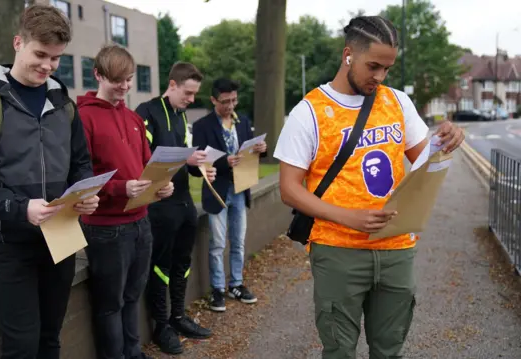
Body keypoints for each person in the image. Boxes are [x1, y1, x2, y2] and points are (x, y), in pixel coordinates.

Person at [273, 15, 465, 358]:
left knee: (389, 350)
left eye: (387, 69)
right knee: (339, 351)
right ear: (348, 54)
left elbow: (427, 165)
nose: (380, 77)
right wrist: (349, 218)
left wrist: (447, 142)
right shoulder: (309, 112)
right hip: (338, 250)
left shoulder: (397, 102)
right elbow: (289, 189)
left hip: (397, 248)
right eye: (373, 66)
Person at [0, 5, 99, 359]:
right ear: (19, 43)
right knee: (22, 346)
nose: (47, 66)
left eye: (56, 59)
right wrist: (19, 208)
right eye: (40, 54)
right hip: (8, 243)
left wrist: (86, 191)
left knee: (50, 338)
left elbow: (80, 163)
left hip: (61, 236)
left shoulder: (64, 103)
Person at [77, 44, 173, 359]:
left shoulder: (133, 118)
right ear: (98, 75)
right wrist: (120, 189)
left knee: (133, 296)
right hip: (105, 228)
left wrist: (161, 186)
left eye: (129, 79)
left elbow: (147, 164)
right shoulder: (83, 118)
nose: (125, 87)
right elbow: (80, 176)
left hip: (140, 221)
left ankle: (134, 352)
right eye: (118, 80)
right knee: (110, 304)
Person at [135, 62, 215, 355]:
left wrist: (202, 170)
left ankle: (178, 316)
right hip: (159, 208)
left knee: (182, 263)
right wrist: (187, 160)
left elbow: (185, 161)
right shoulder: (146, 112)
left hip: (184, 205)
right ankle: (160, 325)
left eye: (195, 94)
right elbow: (145, 162)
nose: (192, 100)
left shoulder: (181, 117)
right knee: (161, 267)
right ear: (172, 84)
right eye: (188, 93)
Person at [192, 78, 267, 312]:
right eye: (225, 102)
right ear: (214, 100)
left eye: (234, 100)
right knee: (217, 244)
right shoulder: (202, 126)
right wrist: (225, 161)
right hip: (217, 192)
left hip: (240, 190)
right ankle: (217, 289)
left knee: (238, 242)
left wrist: (261, 151)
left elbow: (250, 154)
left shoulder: (243, 120)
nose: (231, 106)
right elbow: (197, 164)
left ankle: (236, 284)